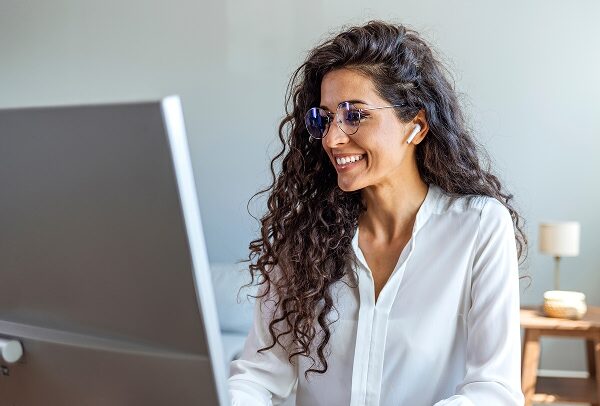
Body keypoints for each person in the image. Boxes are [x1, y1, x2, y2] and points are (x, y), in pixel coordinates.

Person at [228, 20, 528, 406]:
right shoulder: (305, 236)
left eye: (355, 115)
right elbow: (256, 377)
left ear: (416, 126)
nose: (333, 139)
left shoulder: (479, 227)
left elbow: (495, 391)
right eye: (324, 118)